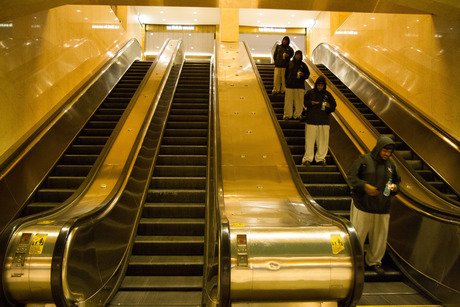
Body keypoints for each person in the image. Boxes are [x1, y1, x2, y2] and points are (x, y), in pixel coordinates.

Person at [348, 135, 401, 275]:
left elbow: (397, 182)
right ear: (378, 148)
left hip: (383, 207)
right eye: (385, 150)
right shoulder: (364, 160)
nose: (387, 154)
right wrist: (365, 186)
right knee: (358, 235)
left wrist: (395, 188)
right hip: (363, 205)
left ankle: (374, 261)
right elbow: (352, 178)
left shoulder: (391, 165)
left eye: (389, 152)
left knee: (379, 238)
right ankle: (355, 262)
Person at [301, 76, 335, 165]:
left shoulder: (328, 94)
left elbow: (333, 106)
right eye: (319, 85)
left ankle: (320, 158)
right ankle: (307, 158)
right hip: (311, 120)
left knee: (323, 141)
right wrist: (311, 103)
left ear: (324, 85)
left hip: (324, 121)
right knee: (309, 141)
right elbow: (304, 102)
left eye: (322, 85)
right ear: (316, 85)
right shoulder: (310, 92)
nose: (320, 87)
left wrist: (329, 106)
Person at [283, 50, 310, 120]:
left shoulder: (303, 65)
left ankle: (297, 115)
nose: (298, 56)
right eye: (297, 54)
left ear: (301, 56)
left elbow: (307, 75)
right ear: (295, 55)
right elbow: (286, 74)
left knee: (299, 101)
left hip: (299, 86)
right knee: (288, 101)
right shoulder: (290, 63)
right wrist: (287, 82)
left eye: (299, 55)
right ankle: (287, 115)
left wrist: (303, 75)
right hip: (290, 85)